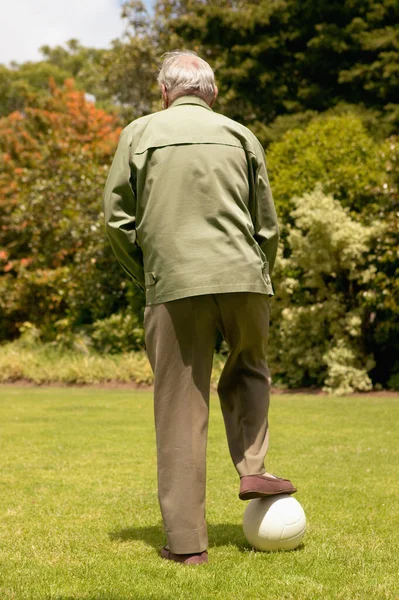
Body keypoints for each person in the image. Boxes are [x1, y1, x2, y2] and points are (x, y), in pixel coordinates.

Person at [102, 50, 296, 566]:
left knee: (181, 407)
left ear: (165, 92)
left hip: (175, 283)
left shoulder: (139, 134)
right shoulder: (241, 135)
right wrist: (259, 274)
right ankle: (254, 466)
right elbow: (267, 225)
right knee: (249, 368)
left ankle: (188, 546)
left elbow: (118, 221)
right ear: (212, 93)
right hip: (244, 278)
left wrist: (149, 272)